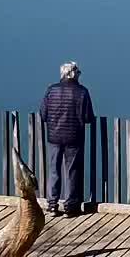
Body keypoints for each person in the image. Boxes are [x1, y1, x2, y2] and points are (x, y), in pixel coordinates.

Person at [40, 62, 95, 217]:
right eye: (78, 71)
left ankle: (52, 205)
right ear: (72, 73)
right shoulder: (82, 92)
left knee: (53, 171)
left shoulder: (51, 90)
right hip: (74, 138)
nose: (79, 74)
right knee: (72, 172)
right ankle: (70, 207)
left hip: (54, 137)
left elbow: (43, 114)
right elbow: (88, 117)